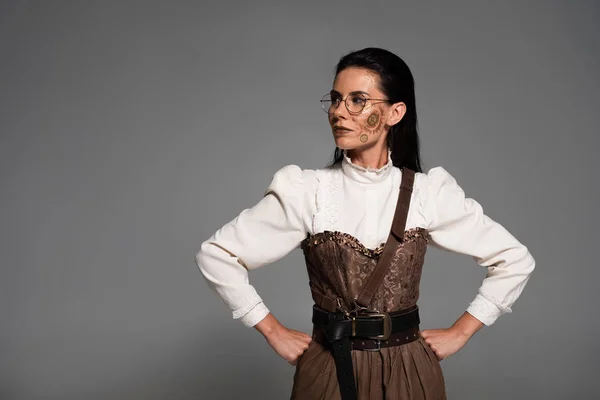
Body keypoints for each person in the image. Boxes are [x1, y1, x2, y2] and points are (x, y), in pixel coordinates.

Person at [195, 47, 535, 400]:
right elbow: (216, 254)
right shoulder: (307, 191)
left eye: (357, 100)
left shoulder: (427, 192)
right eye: (336, 99)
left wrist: (462, 331)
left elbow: (514, 259)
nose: (339, 112)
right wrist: (272, 330)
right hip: (329, 366)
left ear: (394, 113)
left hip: (410, 369)